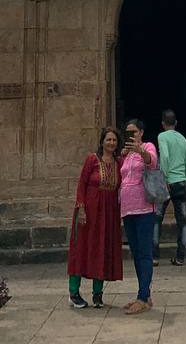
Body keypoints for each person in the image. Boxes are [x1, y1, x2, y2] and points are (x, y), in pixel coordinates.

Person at [67, 127, 123, 309]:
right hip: (89, 212)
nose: (111, 143)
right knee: (82, 249)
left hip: (108, 212)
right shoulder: (92, 159)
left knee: (102, 249)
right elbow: (82, 184)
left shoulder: (118, 162)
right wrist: (81, 209)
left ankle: (98, 294)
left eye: (114, 140)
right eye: (108, 140)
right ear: (102, 142)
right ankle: (74, 292)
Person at [119, 117, 158, 314]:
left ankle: (143, 297)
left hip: (143, 209)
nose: (131, 135)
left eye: (133, 132)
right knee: (135, 253)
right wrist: (123, 154)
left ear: (141, 132)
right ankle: (144, 294)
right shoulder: (126, 155)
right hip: (127, 209)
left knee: (145, 253)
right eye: (128, 133)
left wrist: (139, 149)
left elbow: (152, 162)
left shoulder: (148, 147)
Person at [153, 108, 186, 267]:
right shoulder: (183, 139)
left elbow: (165, 156)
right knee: (181, 221)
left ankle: (154, 256)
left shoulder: (162, 136)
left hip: (167, 181)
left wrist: (165, 177)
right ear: (176, 123)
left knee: (156, 218)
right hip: (181, 181)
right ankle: (180, 256)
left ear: (162, 124)